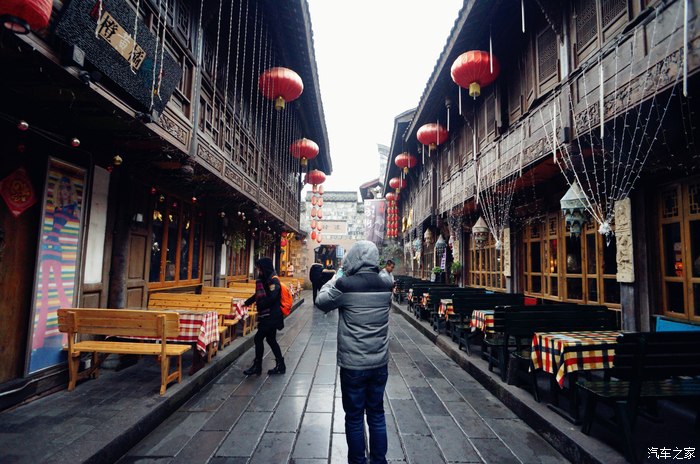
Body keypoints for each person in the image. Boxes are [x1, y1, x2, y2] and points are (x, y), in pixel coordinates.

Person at [316, 241, 393, 464]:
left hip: (353, 364)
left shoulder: (345, 285)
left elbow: (321, 302)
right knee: (377, 414)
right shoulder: (386, 284)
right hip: (379, 362)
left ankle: (358, 461)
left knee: (355, 417)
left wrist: (336, 276)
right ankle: (379, 461)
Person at [242, 257, 286, 376]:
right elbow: (258, 295)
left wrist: (260, 305)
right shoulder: (267, 279)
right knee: (271, 340)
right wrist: (247, 303)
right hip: (269, 316)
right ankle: (280, 365)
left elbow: (272, 298)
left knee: (258, 338)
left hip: (270, 316)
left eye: (259, 268)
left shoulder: (273, 281)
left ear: (265, 268)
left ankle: (258, 366)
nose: (258, 271)